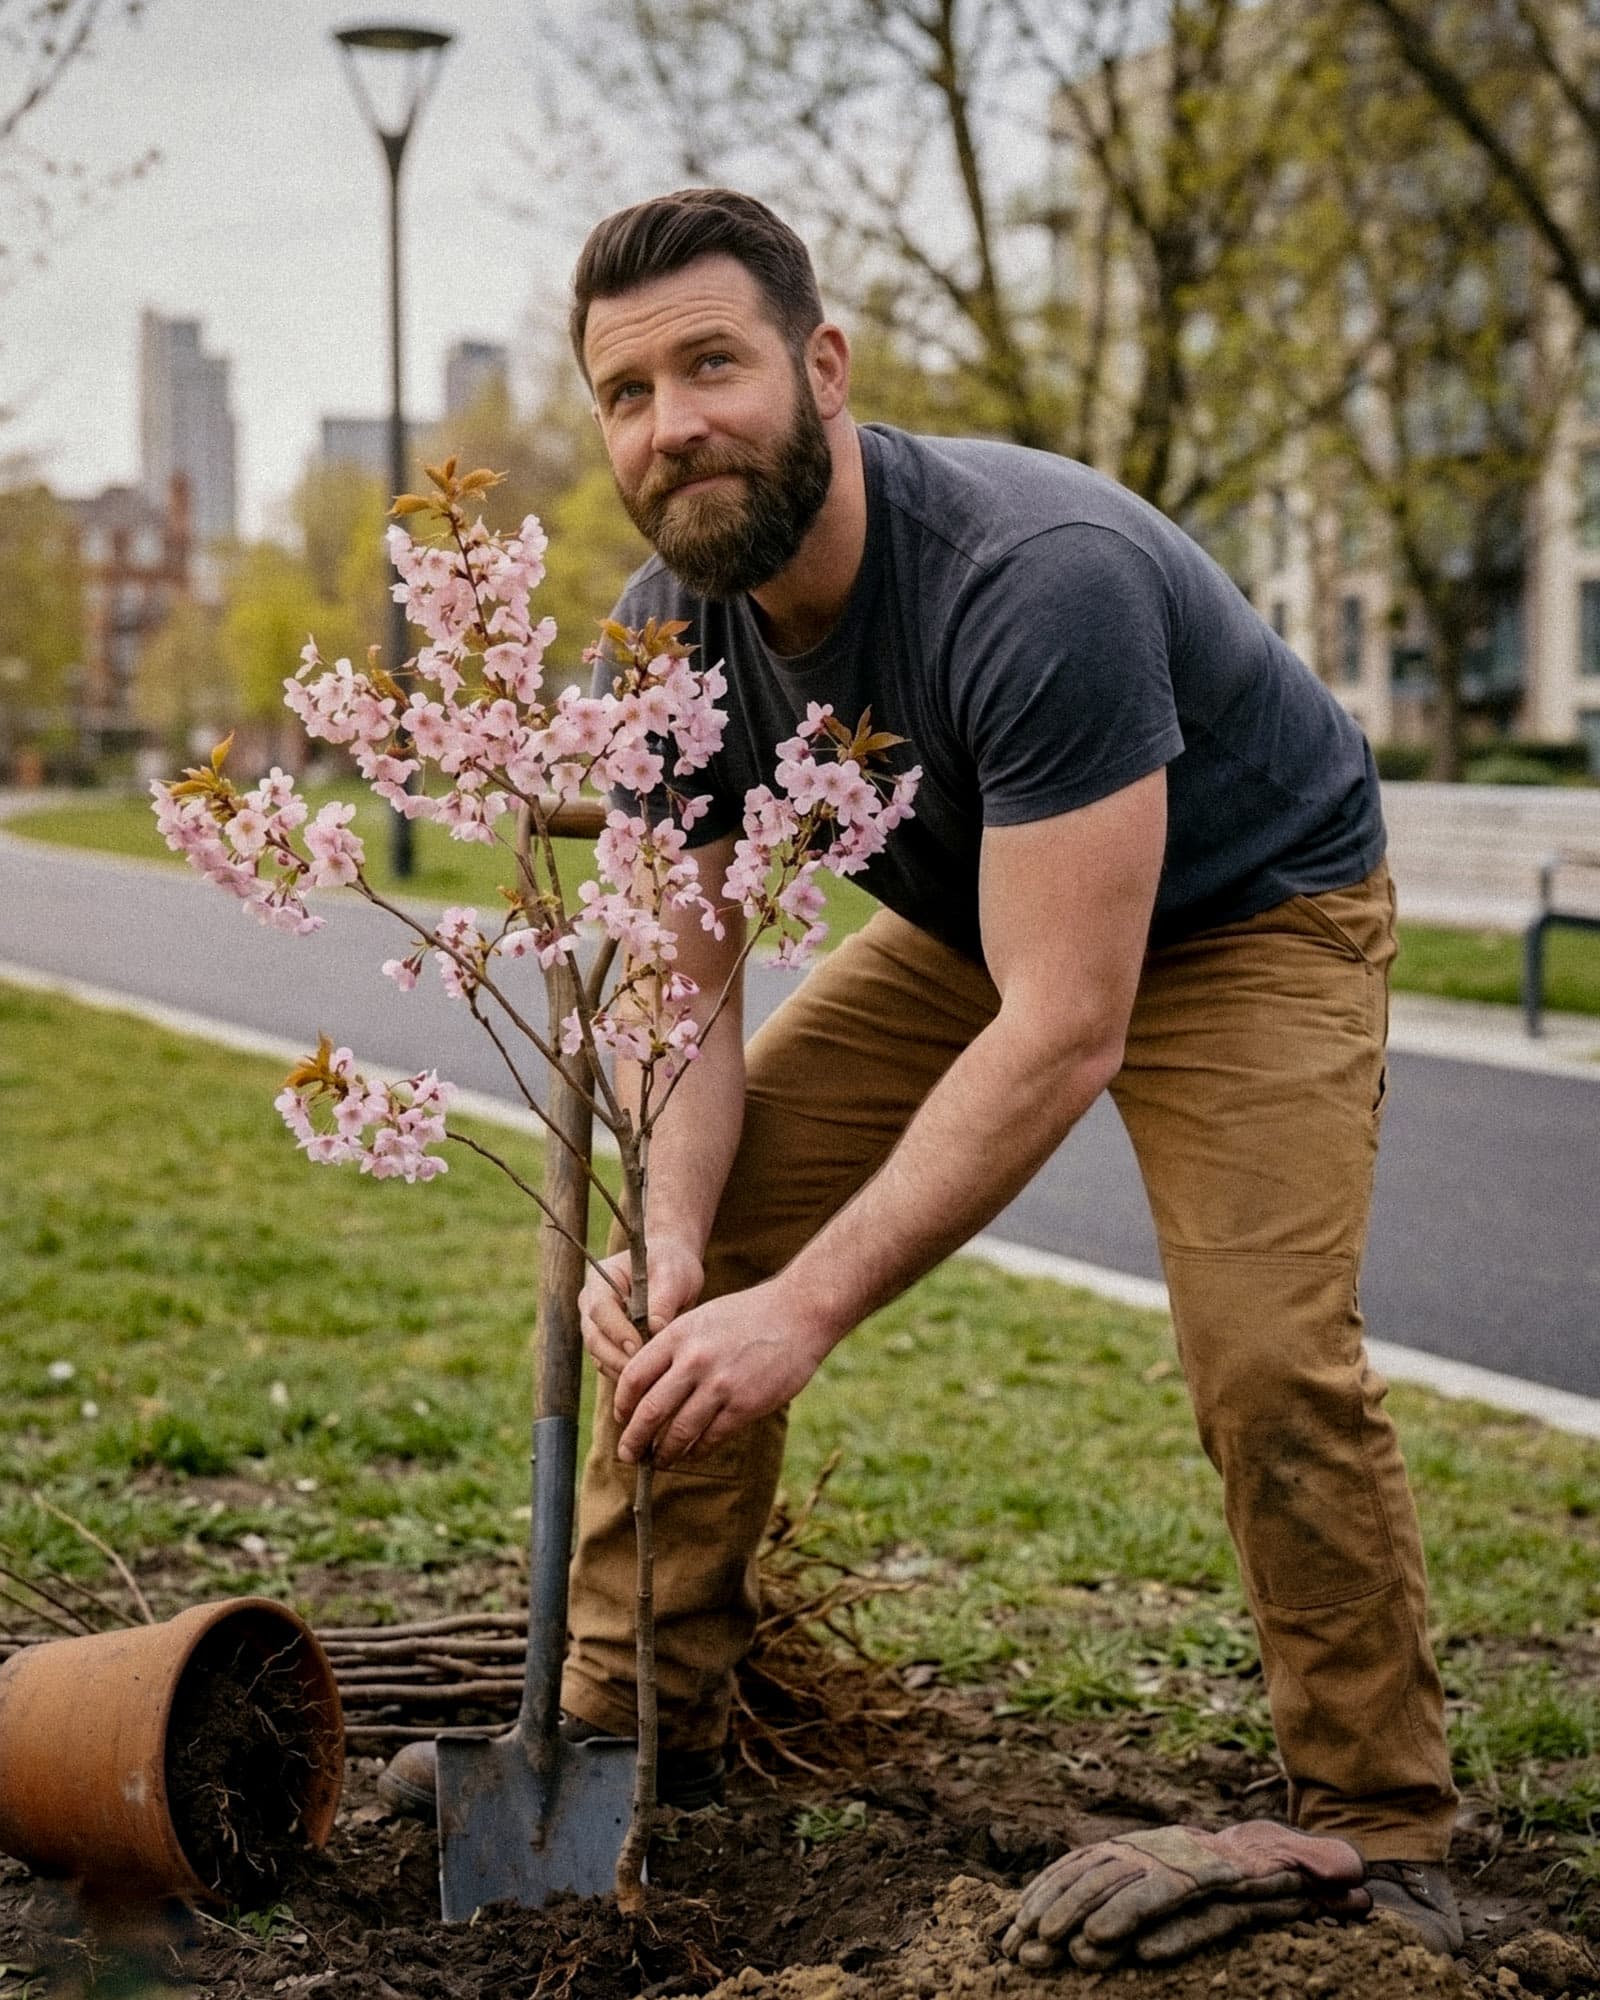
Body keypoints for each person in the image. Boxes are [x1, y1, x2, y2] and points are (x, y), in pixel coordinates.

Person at [381, 187, 1461, 1966]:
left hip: (1251, 910)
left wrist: (800, 1311)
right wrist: (673, 1238)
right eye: (629, 395)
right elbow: (685, 1003)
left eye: (713, 364)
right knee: (702, 1237)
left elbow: (1064, 1027)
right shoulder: (667, 640)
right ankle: (634, 1721)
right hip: (986, 908)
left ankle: (1379, 1824)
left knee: (1267, 1354)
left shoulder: (1035, 581)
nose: (676, 426)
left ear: (822, 366)